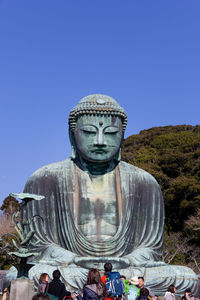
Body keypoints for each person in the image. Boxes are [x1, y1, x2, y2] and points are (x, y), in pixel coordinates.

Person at [21, 94, 200, 295]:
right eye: (89, 131)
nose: (99, 141)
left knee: (186, 277)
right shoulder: (44, 179)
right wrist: (72, 259)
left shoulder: (145, 182)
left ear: (122, 137)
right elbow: (38, 245)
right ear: (72, 135)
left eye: (110, 133)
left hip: (127, 267)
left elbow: (151, 248)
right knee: (36, 273)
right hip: (72, 267)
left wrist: (130, 260)